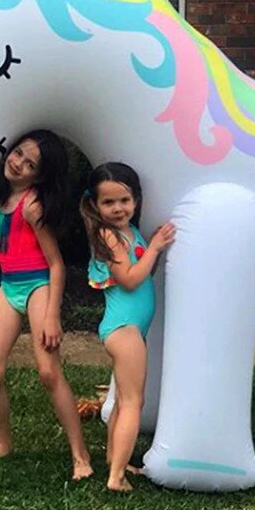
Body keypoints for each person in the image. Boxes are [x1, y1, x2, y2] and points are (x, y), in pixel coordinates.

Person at [0, 129, 93, 481]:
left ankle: (81, 456)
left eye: (30, 164)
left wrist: (52, 316)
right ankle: (4, 445)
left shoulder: (31, 206)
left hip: (37, 286)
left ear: (39, 177)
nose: (19, 164)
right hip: (8, 285)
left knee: (48, 372)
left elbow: (56, 264)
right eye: (18, 154)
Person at [80, 162, 175, 492]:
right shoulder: (108, 235)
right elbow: (130, 280)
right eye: (108, 202)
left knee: (122, 401)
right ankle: (116, 477)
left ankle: (114, 460)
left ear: (136, 199)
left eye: (124, 200)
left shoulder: (129, 231)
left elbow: (144, 272)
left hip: (128, 328)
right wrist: (155, 247)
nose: (118, 208)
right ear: (95, 205)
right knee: (134, 403)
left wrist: (152, 250)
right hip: (124, 329)